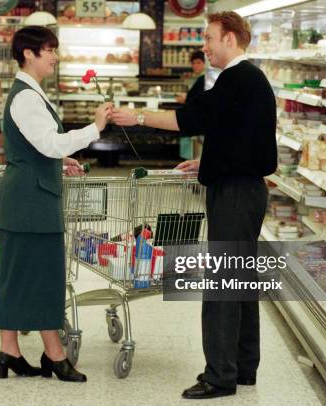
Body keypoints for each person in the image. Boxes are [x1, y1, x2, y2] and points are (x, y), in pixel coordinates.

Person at [112, 11, 277, 400]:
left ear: (230, 39)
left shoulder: (236, 78)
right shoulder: (249, 81)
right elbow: (241, 138)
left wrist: (135, 116)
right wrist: (208, 162)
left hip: (235, 195)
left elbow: (190, 119)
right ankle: (243, 367)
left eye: (209, 38)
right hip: (245, 187)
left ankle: (220, 376)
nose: (204, 45)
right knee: (241, 280)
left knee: (222, 283)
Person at [0, 26, 112, 383]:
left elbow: (40, 148)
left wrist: (58, 163)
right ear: (29, 53)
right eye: (50, 50)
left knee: (18, 276)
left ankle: (9, 350)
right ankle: (53, 355)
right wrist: (95, 127)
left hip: (29, 195)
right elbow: (51, 143)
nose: (55, 57)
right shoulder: (26, 97)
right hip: (31, 200)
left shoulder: (29, 92)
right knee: (44, 276)